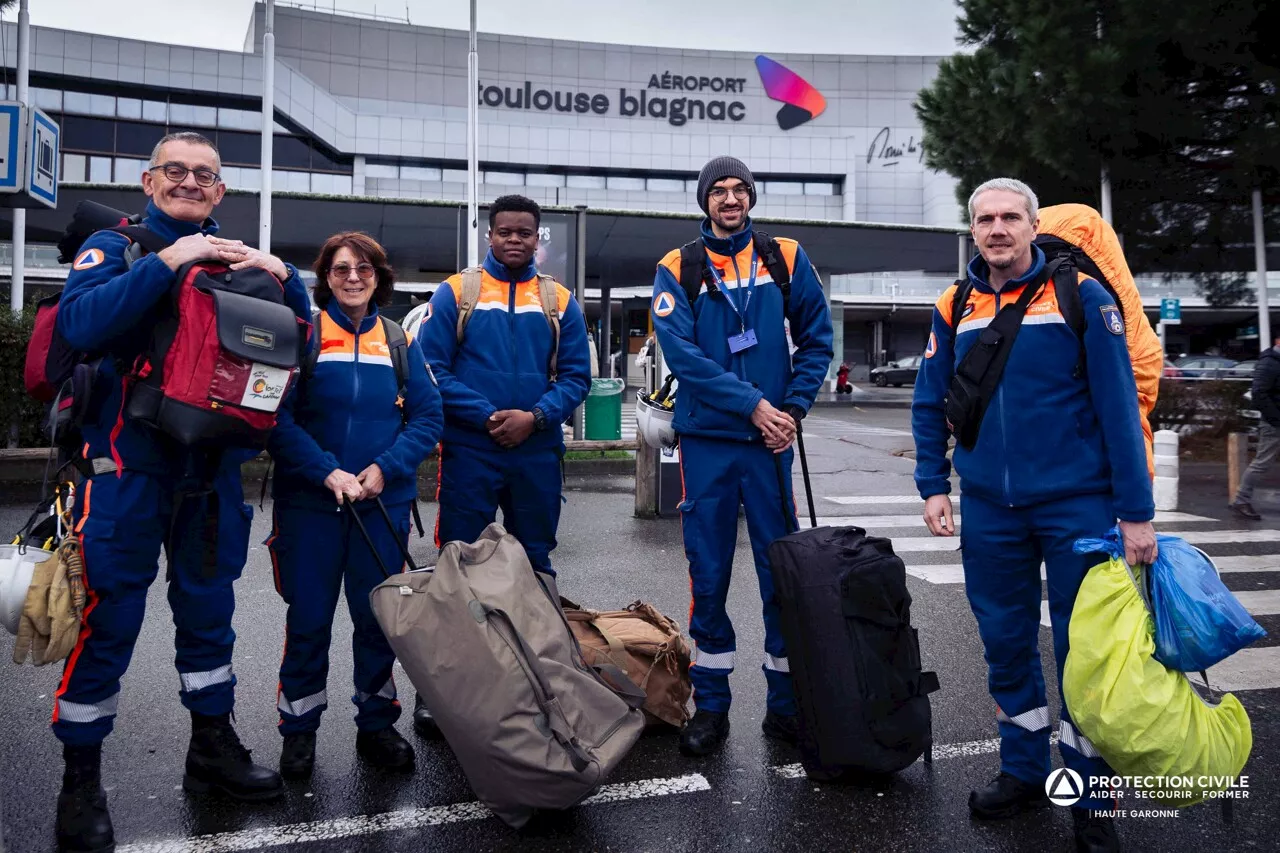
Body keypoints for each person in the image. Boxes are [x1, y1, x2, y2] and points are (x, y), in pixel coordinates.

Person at [52, 131, 311, 853]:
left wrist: (285, 279)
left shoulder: (242, 263)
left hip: (211, 472)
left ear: (221, 192)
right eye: (176, 171)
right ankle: (81, 776)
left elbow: (304, 353)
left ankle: (211, 745)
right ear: (149, 180)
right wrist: (171, 259)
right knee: (108, 621)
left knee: (209, 617)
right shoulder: (119, 245)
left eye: (205, 175)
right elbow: (81, 323)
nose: (190, 182)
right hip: (127, 468)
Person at [912, 178, 1158, 853]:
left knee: (1088, 655)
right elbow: (931, 399)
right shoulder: (953, 305)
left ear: (1031, 224)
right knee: (1006, 643)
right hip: (990, 509)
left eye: (1010, 217)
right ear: (973, 231)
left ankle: (1088, 793)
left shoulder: (1083, 296)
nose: (997, 228)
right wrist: (933, 482)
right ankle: (1023, 771)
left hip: (1077, 504)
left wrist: (1136, 514)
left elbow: (1118, 410)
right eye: (985, 218)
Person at [649, 156, 834, 757]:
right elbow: (684, 360)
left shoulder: (786, 257)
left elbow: (816, 340)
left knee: (782, 574)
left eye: (739, 190)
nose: (729, 200)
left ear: (751, 197)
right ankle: (713, 707)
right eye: (718, 192)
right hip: (707, 442)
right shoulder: (677, 266)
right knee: (710, 575)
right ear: (703, 201)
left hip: (770, 446)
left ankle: (785, 706)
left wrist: (794, 411)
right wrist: (756, 405)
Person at [265, 232, 443, 777]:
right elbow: (273, 417)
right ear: (326, 276)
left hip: (381, 507)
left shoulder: (399, 341)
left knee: (377, 621)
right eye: (340, 268)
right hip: (311, 507)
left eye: (363, 268)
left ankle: (377, 722)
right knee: (311, 620)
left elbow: (429, 418)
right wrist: (327, 471)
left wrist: (383, 468)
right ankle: (299, 729)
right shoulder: (303, 336)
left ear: (378, 276)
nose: (352, 277)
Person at [414, 194, 591, 738]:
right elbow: (432, 369)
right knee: (459, 565)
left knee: (536, 563)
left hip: (535, 452)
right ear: (489, 236)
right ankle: (443, 689)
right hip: (472, 449)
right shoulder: (457, 293)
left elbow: (576, 378)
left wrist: (535, 418)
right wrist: (491, 416)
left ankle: (545, 677)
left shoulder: (559, 300)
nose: (515, 239)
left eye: (525, 232)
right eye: (505, 231)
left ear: (539, 239)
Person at [1229, 337, 1280, 519]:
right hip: (1274, 423)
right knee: (1262, 463)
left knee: (1262, 463)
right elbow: (1259, 394)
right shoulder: (1269, 363)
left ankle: (1242, 500)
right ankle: (1242, 500)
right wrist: (1276, 418)